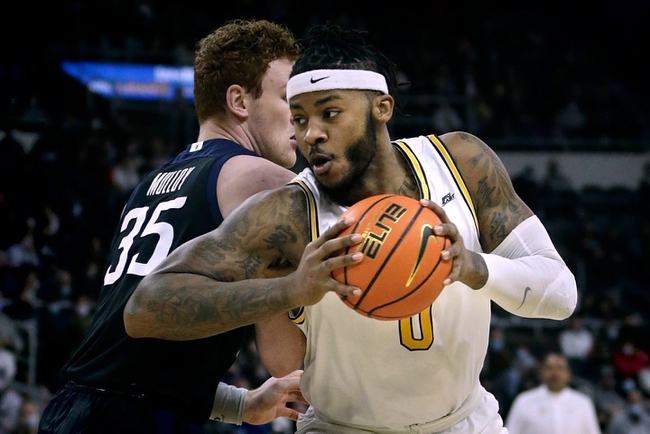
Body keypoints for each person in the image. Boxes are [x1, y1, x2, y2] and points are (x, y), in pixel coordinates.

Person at [127, 24, 578, 433]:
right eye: (299, 117)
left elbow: (560, 293)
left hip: (466, 422)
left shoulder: (460, 162)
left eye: (330, 113)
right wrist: (292, 289)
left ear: (382, 107)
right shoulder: (285, 213)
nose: (310, 135)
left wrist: (475, 268)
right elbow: (146, 306)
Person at [37, 19, 309, 434]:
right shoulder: (262, 180)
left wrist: (242, 403)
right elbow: (285, 356)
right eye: (288, 98)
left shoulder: (152, 183)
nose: (299, 118)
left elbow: (127, 363)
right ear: (238, 100)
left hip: (72, 410)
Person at [505, 352, 601, 434]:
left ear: (568, 373)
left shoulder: (582, 403)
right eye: (549, 368)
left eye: (560, 368)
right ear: (541, 372)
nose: (555, 373)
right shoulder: (524, 401)